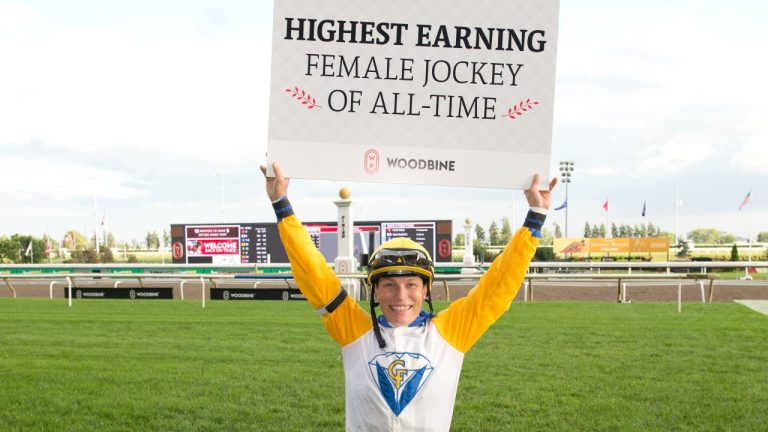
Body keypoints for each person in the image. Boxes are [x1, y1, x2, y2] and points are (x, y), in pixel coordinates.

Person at [260, 162, 556, 431]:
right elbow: (313, 273)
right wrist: (281, 204)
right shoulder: (352, 330)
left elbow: (498, 285)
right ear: (374, 290)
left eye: (411, 285)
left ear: (426, 290)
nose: (400, 296)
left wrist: (536, 217)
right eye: (388, 284)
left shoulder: (452, 331)